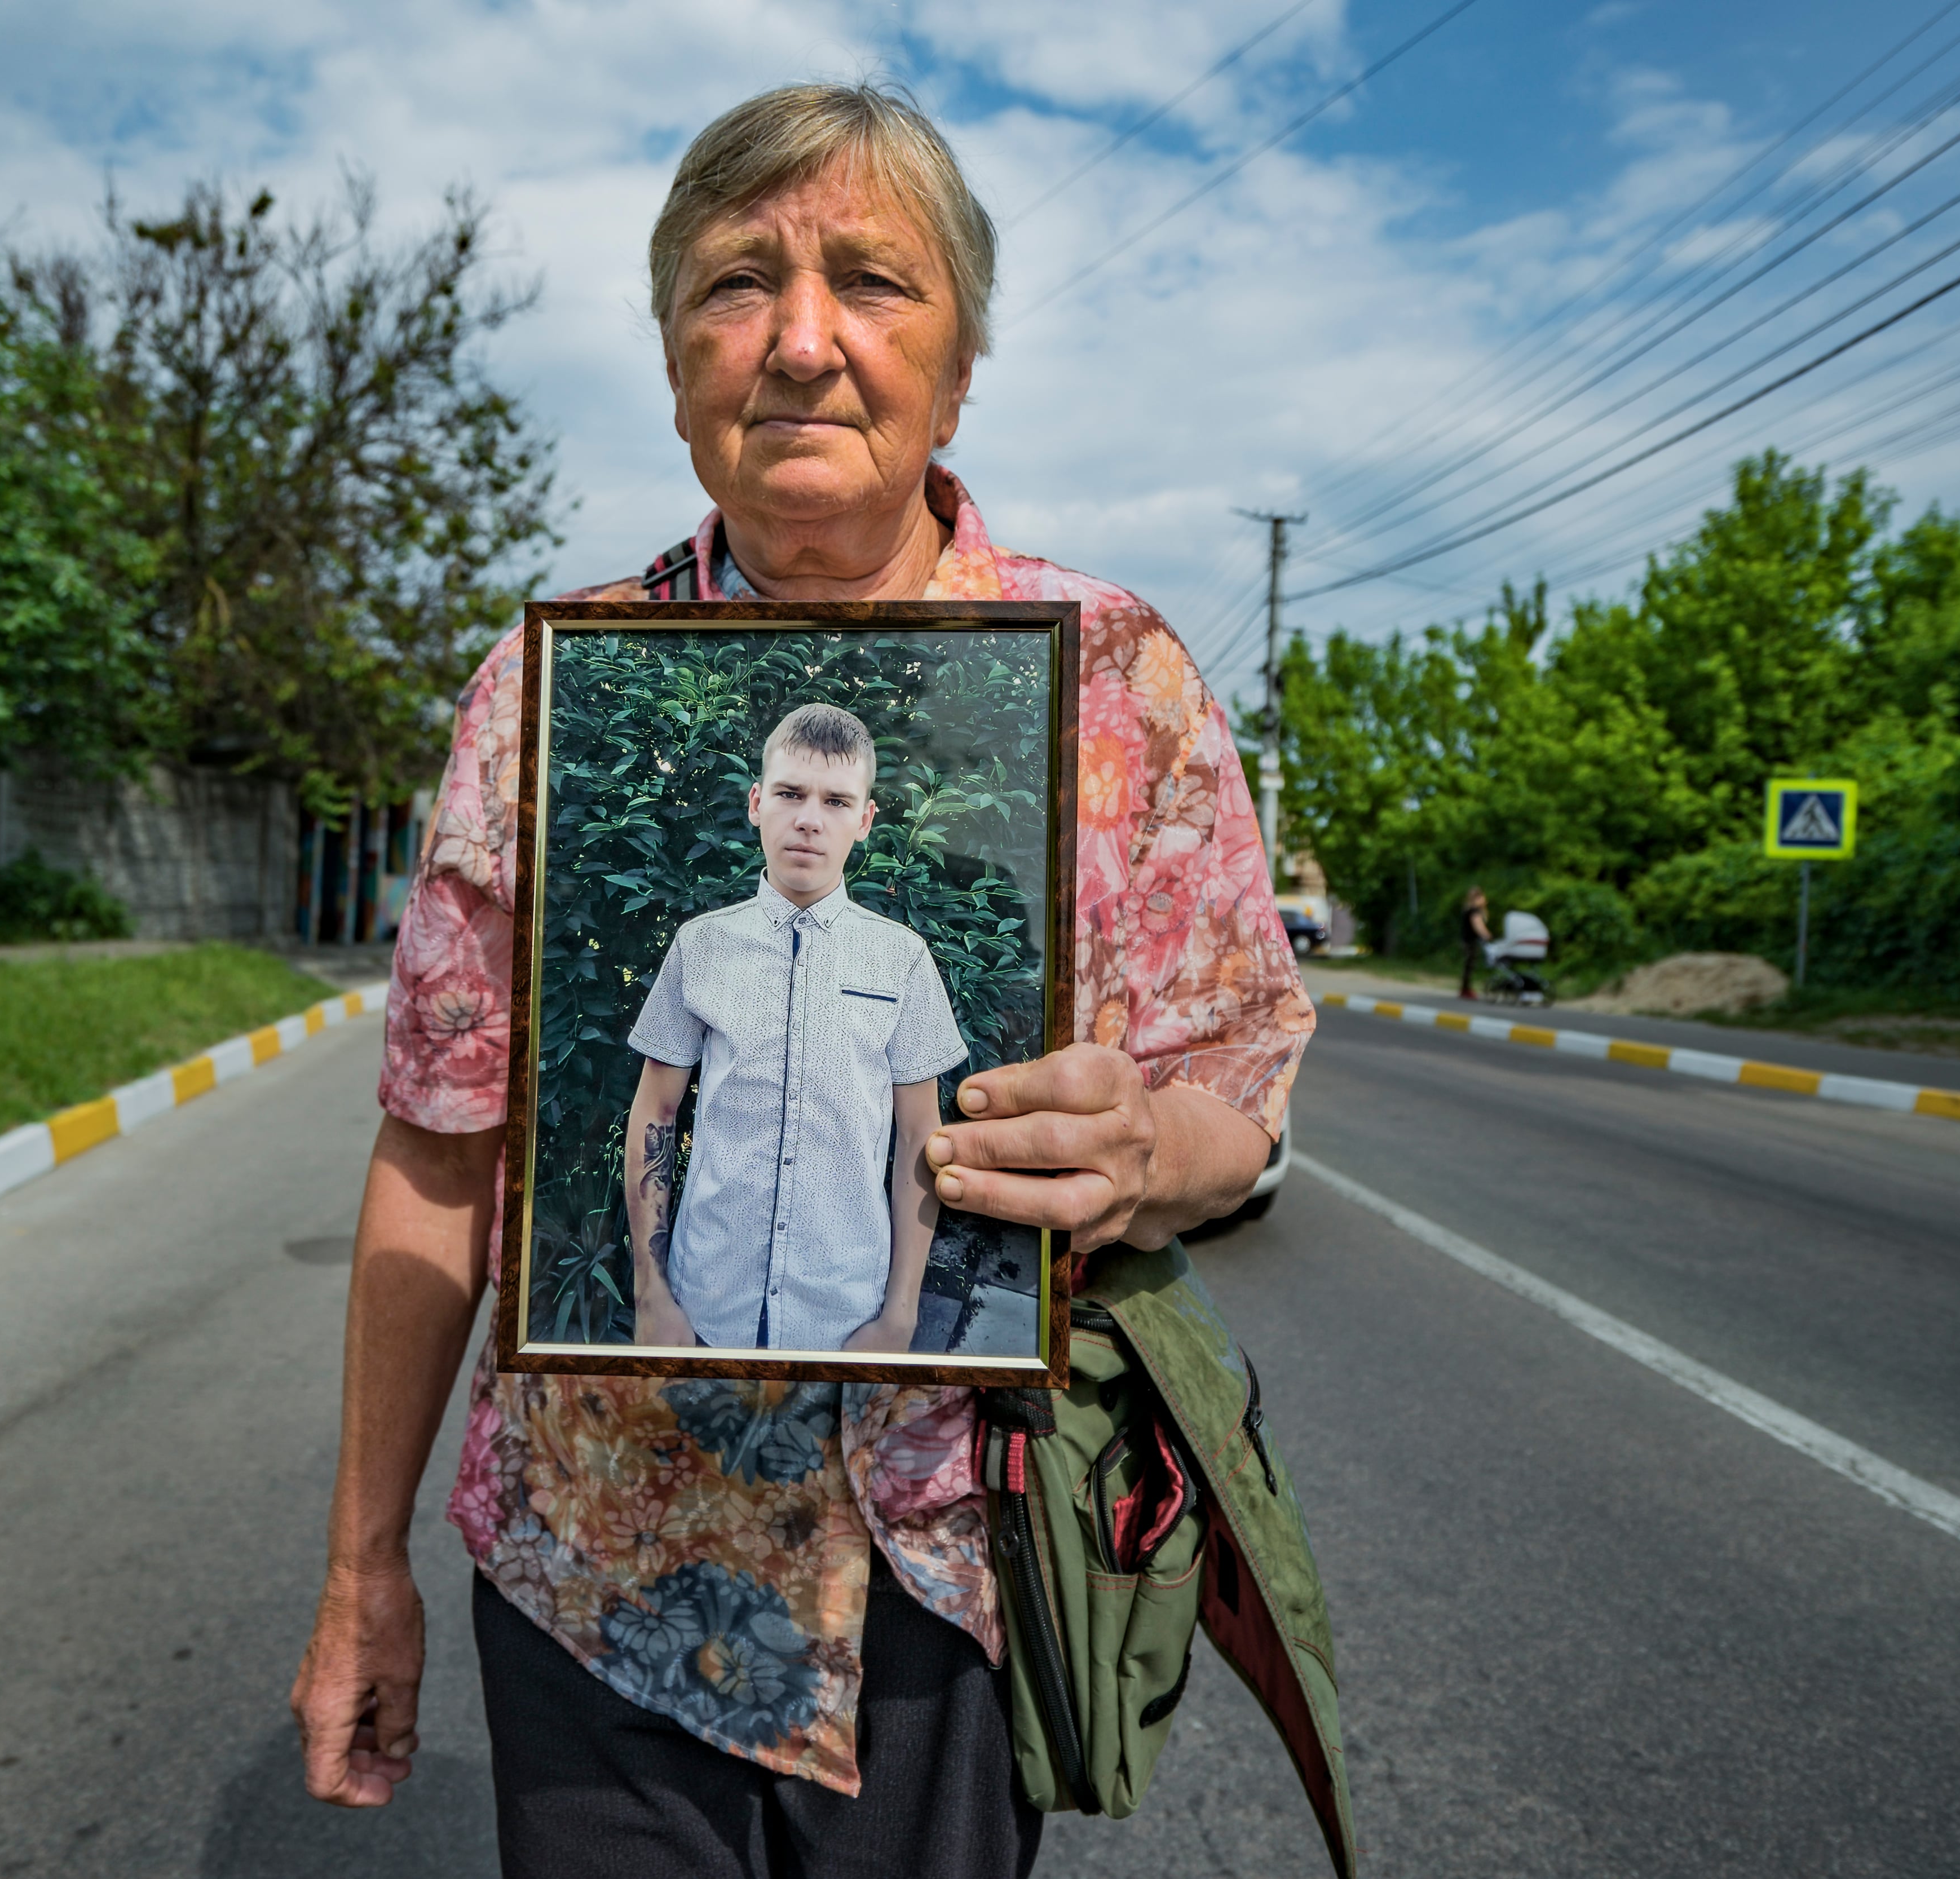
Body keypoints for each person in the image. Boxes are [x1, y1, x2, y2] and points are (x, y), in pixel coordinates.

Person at [292, 81, 1316, 1879]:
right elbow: (444, 1160)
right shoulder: (540, 703)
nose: (802, 342)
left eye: (873, 281)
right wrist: (358, 1567)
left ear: (963, 354)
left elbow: (1240, 1102)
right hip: (592, 1572)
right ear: (676, 351)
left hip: (952, 1573)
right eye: (734, 285)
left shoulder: (1118, 682)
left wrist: (1144, 1147)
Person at [624, 702, 966, 1354]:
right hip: (704, 1310)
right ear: (757, 803)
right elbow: (655, 1113)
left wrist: (898, 1317)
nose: (809, 819)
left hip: (844, 1320)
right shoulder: (701, 947)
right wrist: (652, 1296)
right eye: (789, 793)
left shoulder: (901, 960)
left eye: (837, 801)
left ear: (865, 821)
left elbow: (922, 1137)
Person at [1459, 885, 1490, 1000]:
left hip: (1465, 940)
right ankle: (1466, 989)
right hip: (1470, 941)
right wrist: (1487, 935)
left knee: (1468, 965)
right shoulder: (1475, 911)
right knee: (1470, 965)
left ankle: (1465, 988)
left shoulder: (1467, 909)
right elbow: (1478, 925)